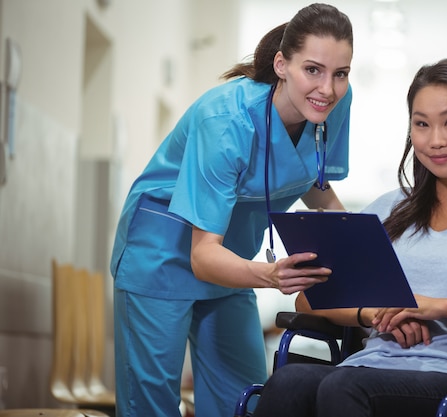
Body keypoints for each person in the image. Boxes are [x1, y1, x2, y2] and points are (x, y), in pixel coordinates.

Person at [251, 58, 447, 417]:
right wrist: (372, 314)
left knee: (344, 387)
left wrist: (441, 306)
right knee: (288, 382)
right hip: (369, 363)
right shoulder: (386, 210)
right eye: (422, 124)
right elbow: (308, 302)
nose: (436, 140)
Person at [109, 4, 354, 417]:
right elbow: (202, 255)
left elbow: (316, 186)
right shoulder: (225, 120)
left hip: (231, 258)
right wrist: (272, 276)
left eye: (340, 74)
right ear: (281, 64)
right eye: (312, 70)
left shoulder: (331, 108)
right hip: (163, 253)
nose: (327, 88)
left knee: (241, 401)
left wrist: (361, 248)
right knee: (151, 406)